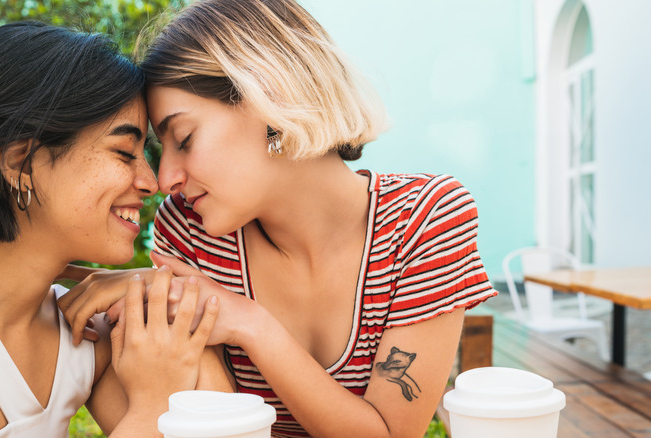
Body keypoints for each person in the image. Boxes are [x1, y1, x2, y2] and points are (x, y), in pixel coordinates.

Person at [61, 0, 498, 436]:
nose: (166, 179)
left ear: (271, 98)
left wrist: (250, 324)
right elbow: (213, 424)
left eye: (185, 138)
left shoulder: (423, 219)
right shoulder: (193, 233)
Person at [0, 21, 227, 437]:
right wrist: (150, 407)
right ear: (20, 162)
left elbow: (229, 426)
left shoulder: (86, 333)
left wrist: (173, 296)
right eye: (124, 152)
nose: (152, 182)